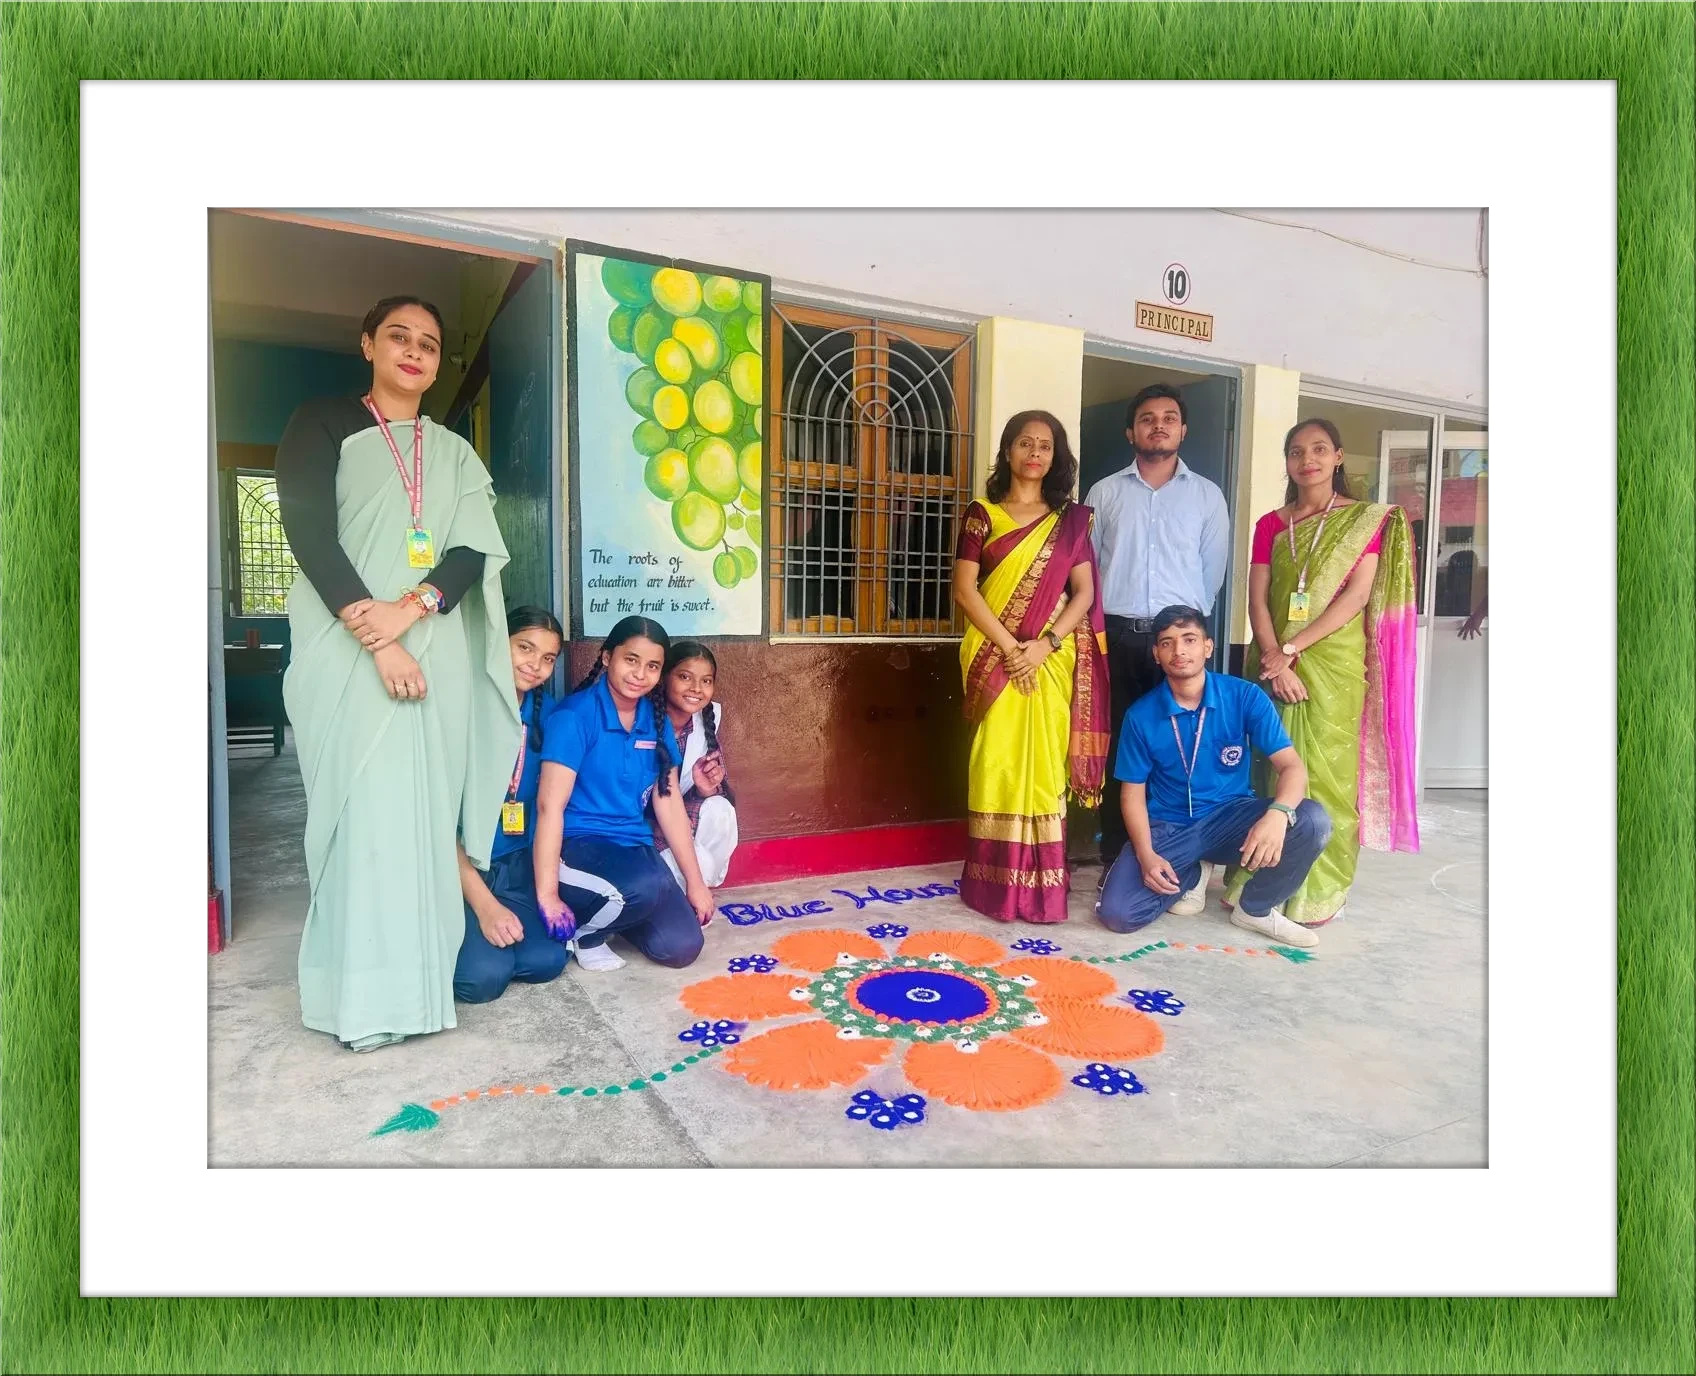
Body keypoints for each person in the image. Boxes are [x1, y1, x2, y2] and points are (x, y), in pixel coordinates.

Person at [277, 296, 519, 1052]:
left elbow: (471, 553)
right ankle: (359, 998)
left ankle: (417, 989)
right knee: (364, 815)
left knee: (419, 813)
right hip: (346, 651)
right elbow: (308, 529)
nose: (414, 352)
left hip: (429, 649)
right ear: (368, 344)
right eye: (398, 338)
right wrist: (375, 636)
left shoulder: (452, 452)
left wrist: (409, 612)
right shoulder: (322, 423)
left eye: (429, 344)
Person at [1223, 418, 1421, 927]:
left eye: (1317, 449)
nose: (1306, 459)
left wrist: (1291, 649)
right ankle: (1254, 879)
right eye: (1295, 451)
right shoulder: (1271, 523)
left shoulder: (1364, 521)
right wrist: (1271, 656)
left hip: (1331, 665)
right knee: (1268, 769)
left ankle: (1319, 888)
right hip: (1271, 662)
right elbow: (1258, 597)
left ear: (1337, 457)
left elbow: (1356, 597)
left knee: (1330, 778)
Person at [953, 410, 1109, 923]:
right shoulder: (983, 513)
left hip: (1048, 659)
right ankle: (993, 882)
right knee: (994, 761)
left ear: (1056, 456)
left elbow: (1083, 593)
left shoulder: (1071, 522)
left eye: (1046, 446)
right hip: (991, 655)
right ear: (1008, 451)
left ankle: (1041, 886)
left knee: (1043, 766)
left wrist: (1042, 645)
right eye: (1025, 444)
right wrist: (1010, 648)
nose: (1035, 454)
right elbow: (965, 590)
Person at [1097, 605, 1331, 947]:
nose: (1179, 651)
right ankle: (1191, 870)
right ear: (1156, 654)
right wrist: (1147, 856)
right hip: (1171, 826)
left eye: (1189, 639)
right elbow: (1131, 794)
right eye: (1167, 643)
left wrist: (1277, 815)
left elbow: (1292, 767)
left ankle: (1255, 908)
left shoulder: (1244, 696)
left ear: (1208, 647)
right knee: (1118, 914)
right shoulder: (1141, 715)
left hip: (1229, 819)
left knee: (1312, 820)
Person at [1085, 383, 1231, 886]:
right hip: (1120, 640)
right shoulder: (1103, 493)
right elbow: (1091, 570)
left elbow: (1211, 574)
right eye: (1147, 418)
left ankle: (1181, 860)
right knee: (1121, 751)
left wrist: (1186, 639)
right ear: (1131, 431)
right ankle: (1117, 863)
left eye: (1170, 417)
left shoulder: (1208, 496)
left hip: (1179, 643)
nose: (1159, 425)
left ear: (1183, 430)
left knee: (1183, 751)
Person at [531, 616, 714, 973]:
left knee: (681, 946)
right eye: (631, 660)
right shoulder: (575, 715)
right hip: (579, 844)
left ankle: (615, 915)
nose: (640, 674)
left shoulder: (656, 718)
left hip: (632, 846)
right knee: (642, 886)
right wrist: (548, 895)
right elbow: (549, 807)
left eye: (652, 666)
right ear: (606, 657)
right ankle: (586, 934)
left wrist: (696, 884)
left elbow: (669, 801)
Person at [452, 607, 572, 1003]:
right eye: (524, 647)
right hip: (461, 870)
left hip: (515, 867)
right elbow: (438, 825)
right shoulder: (462, 709)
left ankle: (490, 943)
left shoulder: (549, 715)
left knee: (546, 960)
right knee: (482, 979)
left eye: (548, 658)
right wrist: (486, 909)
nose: (535, 665)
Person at [650, 640, 740, 889]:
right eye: (685, 677)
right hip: (642, 829)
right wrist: (658, 826)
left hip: (680, 820)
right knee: (685, 865)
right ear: (664, 678)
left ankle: (698, 887)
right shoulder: (642, 721)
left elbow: (714, 792)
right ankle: (688, 888)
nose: (696, 688)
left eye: (706, 681)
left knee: (720, 809)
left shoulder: (705, 721)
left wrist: (705, 788)